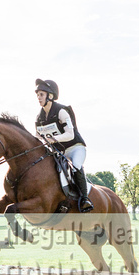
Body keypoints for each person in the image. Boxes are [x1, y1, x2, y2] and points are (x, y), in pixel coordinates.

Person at [34, 78, 94, 213]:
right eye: (37, 95)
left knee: (76, 166)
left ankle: (85, 199)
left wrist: (53, 139)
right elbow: (38, 137)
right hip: (59, 153)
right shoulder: (39, 118)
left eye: (41, 94)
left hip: (75, 148)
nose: (38, 98)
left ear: (50, 95)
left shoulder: (61, 111)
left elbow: (70, 134)